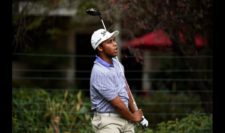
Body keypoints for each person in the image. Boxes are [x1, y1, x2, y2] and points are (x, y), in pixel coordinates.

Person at [89, 28, 147, 133]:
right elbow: (117, 104)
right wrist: (133, 117)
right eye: (109, 42)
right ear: (100, 48)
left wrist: (138, 115)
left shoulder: (117, 64)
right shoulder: (100, 72)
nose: (115, 44)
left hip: (126, 118)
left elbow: (126, 90)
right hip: (108, 122)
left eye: (114, 40)